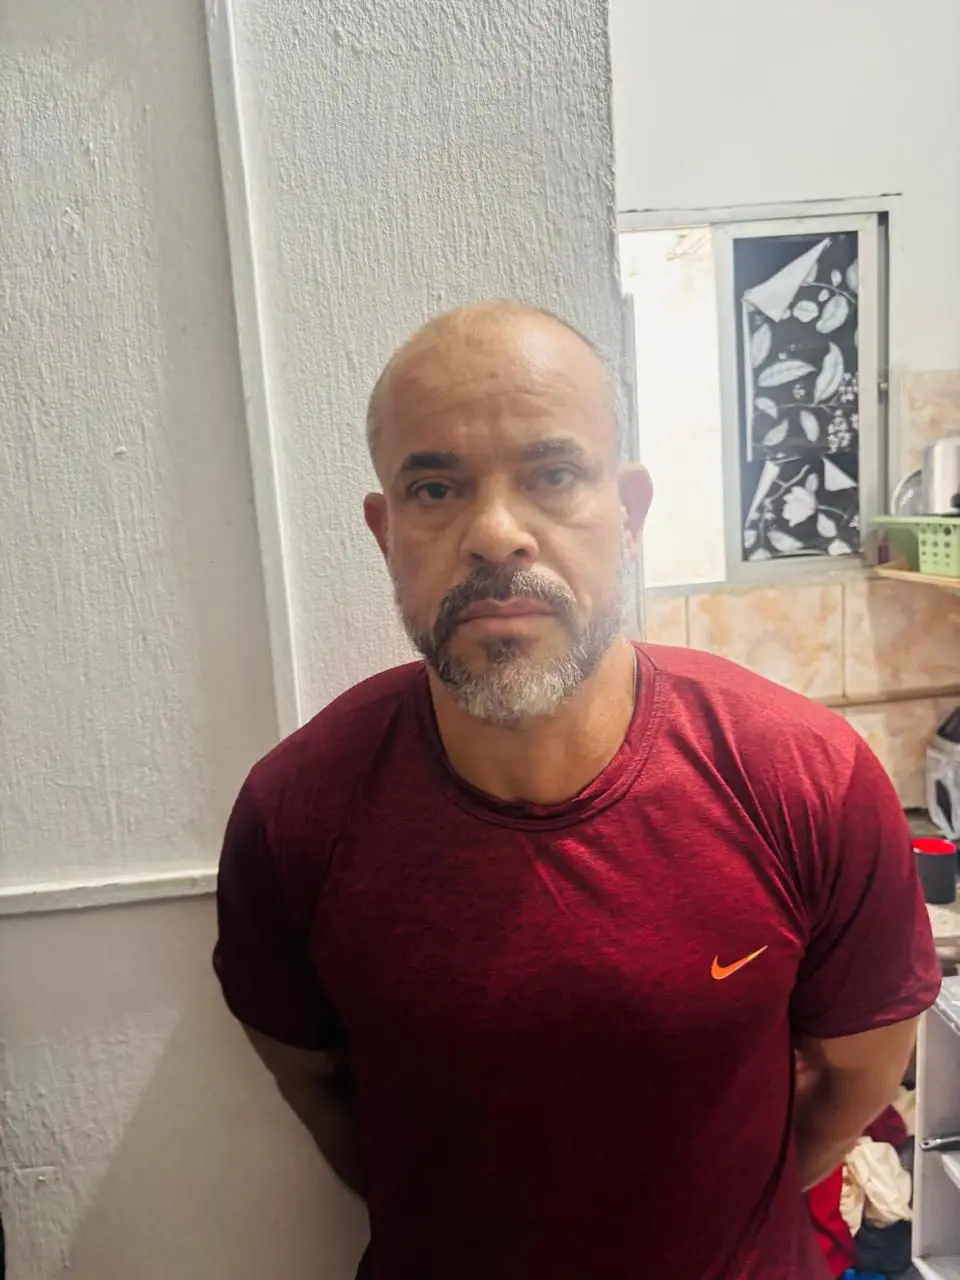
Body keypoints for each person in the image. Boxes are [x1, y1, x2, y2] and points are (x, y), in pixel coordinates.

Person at [213, 302, 940, 1279]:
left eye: (552, 475)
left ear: (629, 514)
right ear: (386, 532)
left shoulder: (804, 778)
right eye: (436, 488)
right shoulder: (293, 815)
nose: (495, 534)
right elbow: (320, 1095)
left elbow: (856, 1078)